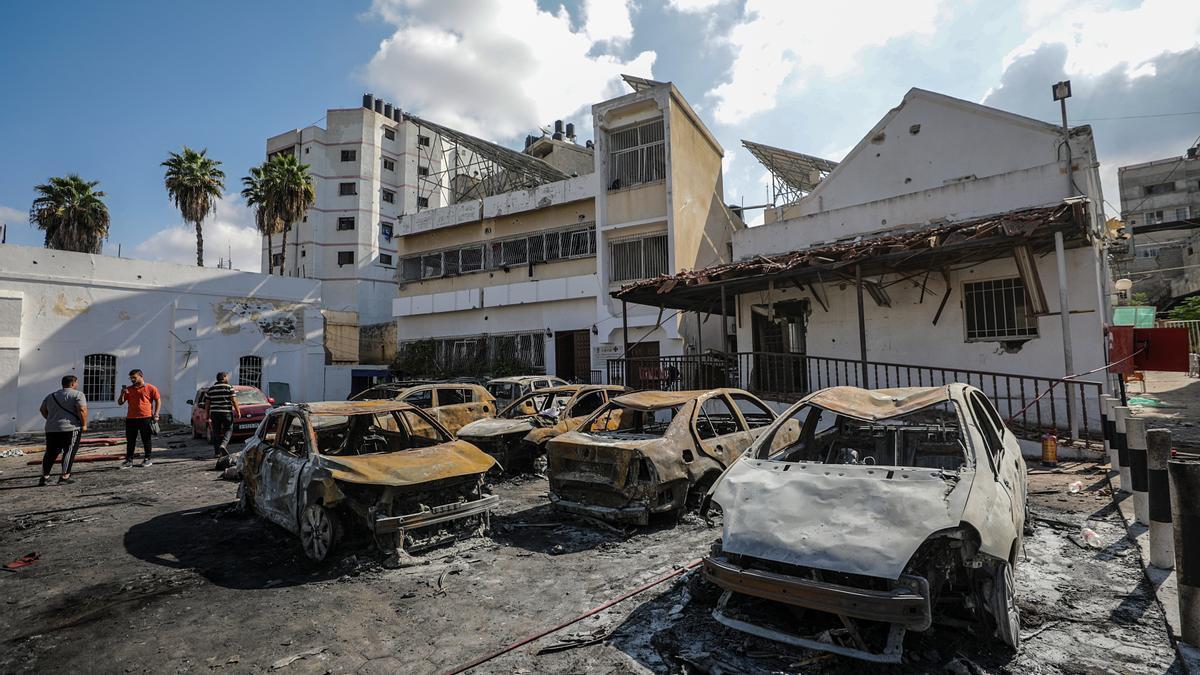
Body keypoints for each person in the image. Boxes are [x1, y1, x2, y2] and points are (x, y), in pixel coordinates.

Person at [38, 375, 88, 485]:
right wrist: (84, 424)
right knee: (69, 451)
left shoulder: (50, 396)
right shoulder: (78, 394)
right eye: (77, 383)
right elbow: (82, 410)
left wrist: (51, 419)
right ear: (73, 383)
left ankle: (44, 477)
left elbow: (42, 409)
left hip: (51, 428)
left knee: (50, 452)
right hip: (70, 428)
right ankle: (65, 476)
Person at [118, 369, 160, 468]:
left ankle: (147, 459)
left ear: (141, 376)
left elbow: (158, 401)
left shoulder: (150, 388)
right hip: (131, 418)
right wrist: (122, 393)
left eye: (134, 377)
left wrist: (156, 414)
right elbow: (120, 402)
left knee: (146, 439)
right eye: (131, 378)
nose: (132, 379)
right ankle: (129, 461)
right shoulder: (128, 389)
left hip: (146, 417)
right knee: (131, 440)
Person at [204, 372, 241, 458]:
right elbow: (234, 401)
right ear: (224, 377)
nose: (228, 378)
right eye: (227, 377)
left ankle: (217, 453)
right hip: (226, 412)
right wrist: (238, 412)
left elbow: (207, 404)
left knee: (216, 432)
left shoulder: (211, 389)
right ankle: (223, 445)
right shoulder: (229, 387)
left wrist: (207, 415)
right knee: (228, 429)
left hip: (214, 414)